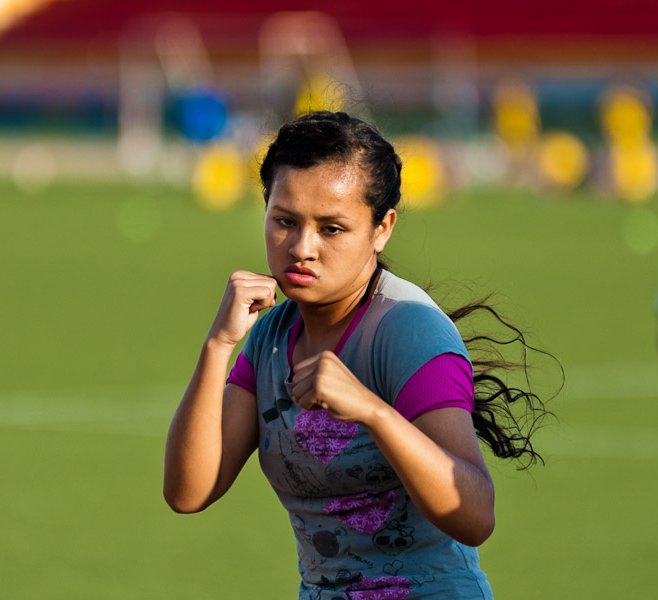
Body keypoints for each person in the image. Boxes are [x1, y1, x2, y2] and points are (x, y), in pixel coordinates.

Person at [164, 111, 550, 599]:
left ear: (382, 228)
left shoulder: (410, 330)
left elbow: (475, 517)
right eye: (284, 221)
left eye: (332, 229)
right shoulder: (270, 338)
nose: (302, 247)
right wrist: (219, 345)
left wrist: (372, 411)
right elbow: (188, 492)